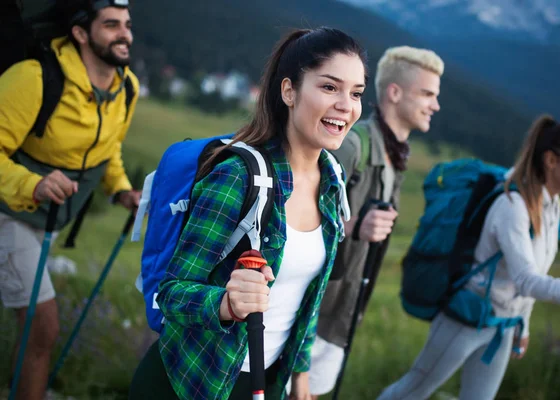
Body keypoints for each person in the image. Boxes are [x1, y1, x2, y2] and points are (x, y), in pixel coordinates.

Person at [128, 27, 368, 400]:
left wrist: (299, 379)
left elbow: (309, 297)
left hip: (267, 382)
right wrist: (225, 304)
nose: (345, 105)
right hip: (194, 381)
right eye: (329, 87)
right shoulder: (239, 176)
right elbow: (171, 293)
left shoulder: (333, 180)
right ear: (289, 91)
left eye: (355, 93)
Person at [376, 115, 560, 400]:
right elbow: (527, 280)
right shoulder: (513, 205)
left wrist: (523, 323)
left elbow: (533, 271)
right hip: (466, 318)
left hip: (502, 327)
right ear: (551, 160)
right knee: (412, 390)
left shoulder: (552, 206)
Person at [0, 0, 140, 398]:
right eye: (111, 24)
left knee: (35, 330)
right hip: (9, 212)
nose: (124, 34)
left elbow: (107, 149)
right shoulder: (34, 78)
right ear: (80, 33)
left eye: (127, 24)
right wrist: (32, 184)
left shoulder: (126, 87)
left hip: (48, 219)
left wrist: (120, 189)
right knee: (41, 327)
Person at [308, 46, 444, 398]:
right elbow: (298, 215)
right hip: (314, 313)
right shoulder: (353, 145)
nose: (436, 105)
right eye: (427, 94)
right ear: (394, 93)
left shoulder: (395, 156)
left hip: (342, 313)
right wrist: (355, 228)